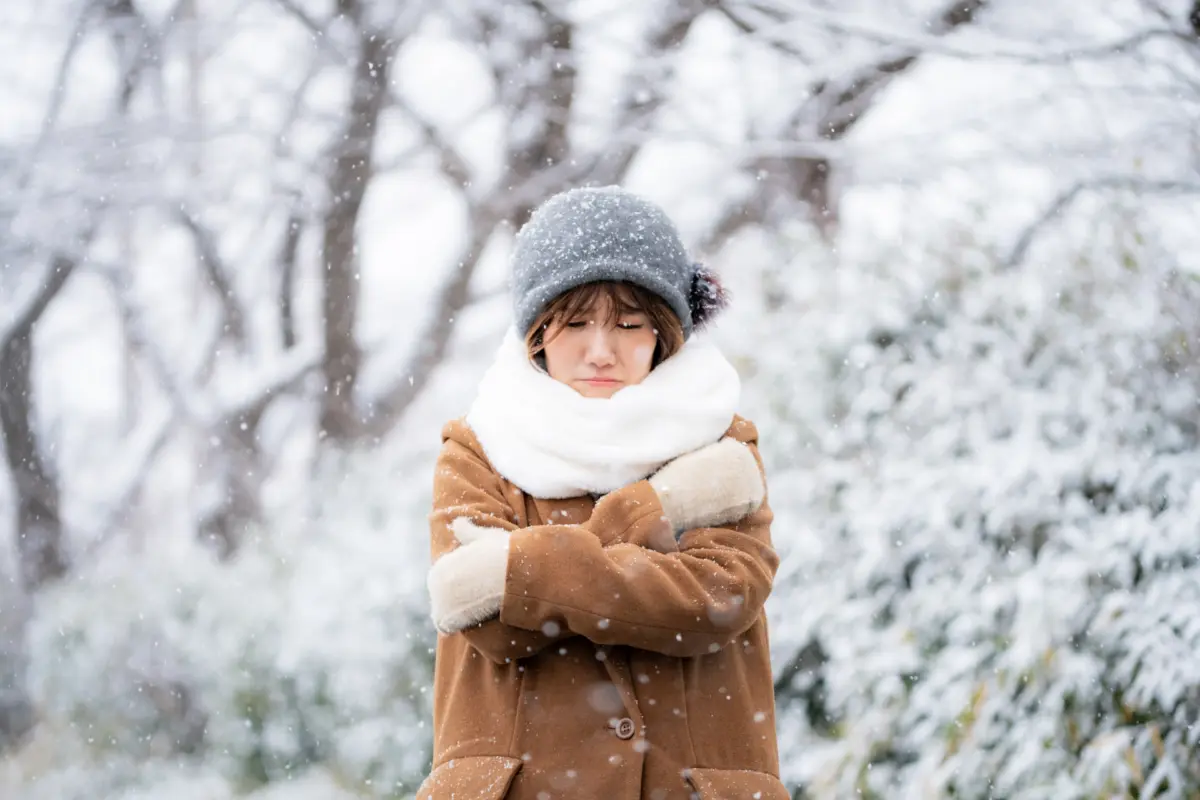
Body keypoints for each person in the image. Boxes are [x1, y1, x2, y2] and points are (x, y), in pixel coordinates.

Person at [418, 186, 786, 800]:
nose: (600, 350)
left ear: (665, 331)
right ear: (537, 330)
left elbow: (718, 599)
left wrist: (521, 569)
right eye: (575, 322)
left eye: (629, 323)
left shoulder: (721, 443)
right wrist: (651, 510)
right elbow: (484, 619)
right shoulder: (478, 447)